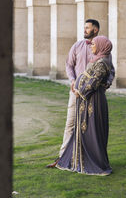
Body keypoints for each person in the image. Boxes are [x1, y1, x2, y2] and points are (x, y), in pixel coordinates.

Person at [46, 19, 115, 168]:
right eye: (84, 27)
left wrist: (105, 85)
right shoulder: (77, 46)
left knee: (91, 128)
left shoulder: (103, 49)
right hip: (75, 93)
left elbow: (110, 70)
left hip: (93, 96)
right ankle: (63, 156)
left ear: (95, 30)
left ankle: (87, 159)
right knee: (70, 123)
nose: (84, 30)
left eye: (87, 28)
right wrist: (72, 81)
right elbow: (69, 65)